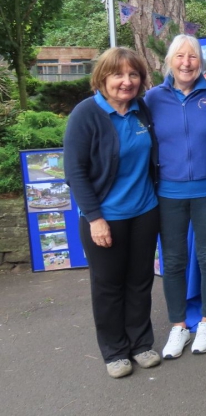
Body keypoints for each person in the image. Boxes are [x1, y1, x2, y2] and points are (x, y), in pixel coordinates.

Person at [64, 47, 161, 378]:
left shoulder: (141, 110)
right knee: (108, 285)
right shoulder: (86, 114)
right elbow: (74, 172)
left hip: (144, 211)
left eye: (133, 74)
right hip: (105, 217)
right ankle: (115, 351)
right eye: (118, 74)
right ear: (102, 78)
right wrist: (95, 218)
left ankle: (141, 343)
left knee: (140, 281)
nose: (126, 81)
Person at [144, 34, 206, 359]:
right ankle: (178, 325)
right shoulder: (151, 99)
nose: (186, 63)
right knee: (173, 260)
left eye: (192, 57)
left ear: (201, 63)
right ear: (169, 62)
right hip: (168, 192)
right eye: (180, 57)